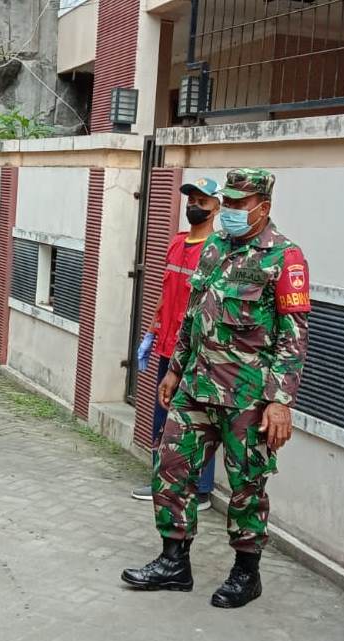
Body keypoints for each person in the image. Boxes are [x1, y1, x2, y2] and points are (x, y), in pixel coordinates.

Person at [121, 168, 310, 609]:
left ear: (263, 207)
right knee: (170, 466)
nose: (229, 211)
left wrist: (280, 402)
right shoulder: (215, 248)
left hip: (248, 396)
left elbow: (293, 337)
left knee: (247, 485)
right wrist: (174, 370)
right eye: (227, 203)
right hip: (195, 385)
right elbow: (192, 314)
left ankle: (246, 574)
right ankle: (174, 563)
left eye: (239, 204)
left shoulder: (285, 257)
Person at [132, 177, 222, 511]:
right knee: (163, 418)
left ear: (216, 207)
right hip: (168, 348)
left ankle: (199, 490)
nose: (194, 206)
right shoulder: (176, 242)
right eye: (191, 200)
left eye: (202, 201)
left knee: (199, 420)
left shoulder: (217, 250)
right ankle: (161, 480)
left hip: (198, 353)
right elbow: (165, 293)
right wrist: (152, 332)